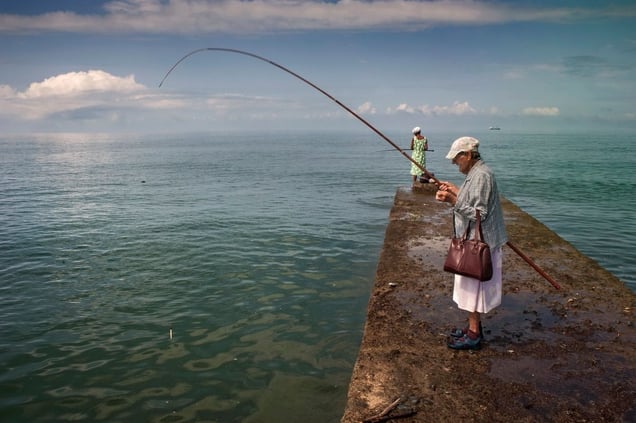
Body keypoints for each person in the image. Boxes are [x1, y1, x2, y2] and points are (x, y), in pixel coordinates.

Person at [435, 136, 507, 350]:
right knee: (470, 288)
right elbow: (474, 200)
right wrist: (456, 190)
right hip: (476, 241)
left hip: (478, 245)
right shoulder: (475, 173)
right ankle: (473, 328)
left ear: (467, 155)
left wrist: (453, 201)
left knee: (471, 289)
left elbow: (480, 214)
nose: (453, 162)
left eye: (456, 158)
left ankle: (474, 334)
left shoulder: (482, 175)